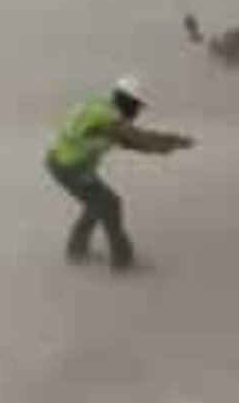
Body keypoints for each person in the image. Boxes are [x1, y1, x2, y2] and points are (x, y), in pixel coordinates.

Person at [44, 76, 195, 272]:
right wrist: (175, 142)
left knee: (99, 204)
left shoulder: (98, 107)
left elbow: (127, 141)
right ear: (128, 102)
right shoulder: (110, 119)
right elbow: (139, 140)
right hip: (70, 168)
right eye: (137, 106)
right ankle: (123, 262)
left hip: (61, 161)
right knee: (110, 205)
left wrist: (166, 143)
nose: (138, 112)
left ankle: (77, 251)